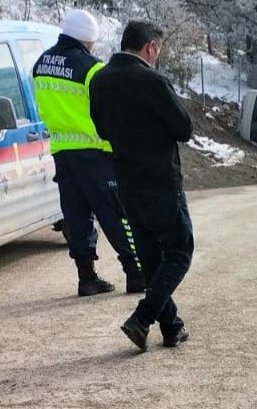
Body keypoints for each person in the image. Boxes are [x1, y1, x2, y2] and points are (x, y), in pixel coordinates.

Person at [89, 20, 194, 351]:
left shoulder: (100, 80)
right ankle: (143, 317)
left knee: (151, 259)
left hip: (127, 183)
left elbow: (102, 130)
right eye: (158, 50)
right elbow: (184, 128)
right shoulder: (153, 80)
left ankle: (171, 327)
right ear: (150, 47)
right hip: (161, 181)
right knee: (180, 250)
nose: (157, 56)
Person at [32, 9, 144, 297]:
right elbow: (108, 110)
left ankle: (86, 278)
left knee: (76, 214)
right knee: (115, 214)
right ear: (88, 39)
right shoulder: (92, 68)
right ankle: (136, 273)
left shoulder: (40, 64)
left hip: (61, 151)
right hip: (94, 152)